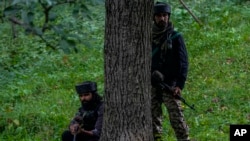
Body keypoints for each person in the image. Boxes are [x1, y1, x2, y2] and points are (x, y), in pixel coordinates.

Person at [151, 2, 190, 141]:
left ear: (168, 16)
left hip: (170, 85)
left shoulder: (175, 36)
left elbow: (183, 62)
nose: (162, 18)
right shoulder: (148, 38)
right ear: (154, 17)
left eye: (165, 15)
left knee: (177, 118)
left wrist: (179, 85)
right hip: (152, 85)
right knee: (153, 119)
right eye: (159, 16)